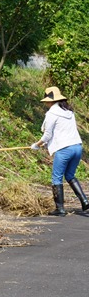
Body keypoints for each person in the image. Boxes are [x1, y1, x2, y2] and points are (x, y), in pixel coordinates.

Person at [31, 87, 88, 216]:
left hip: (64, 149)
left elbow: (47, 135)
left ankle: (60, 209)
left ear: (51, 101)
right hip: (77, 147)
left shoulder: (52, 114)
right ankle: (84, 200)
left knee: (56, 177)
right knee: (69, 175)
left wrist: (37, 145)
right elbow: (60, 132)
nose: (45, 104)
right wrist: (45, 144)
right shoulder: (69, 112)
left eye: (46, 101)